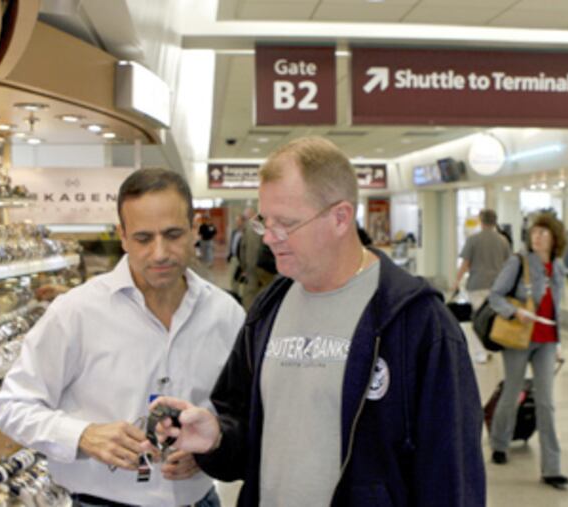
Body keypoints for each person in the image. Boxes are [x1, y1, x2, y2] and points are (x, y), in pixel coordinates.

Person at [151, 136, 485, 506]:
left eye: (287, 224)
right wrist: (216, 438)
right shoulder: (268, 310)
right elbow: (244, 434)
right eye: (266, 221)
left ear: (340, 217)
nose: (270, 238)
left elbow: (452, 473)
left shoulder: (416, 322)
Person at [0, 168, 246, 506]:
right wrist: (83, 435)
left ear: (193, 229)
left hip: (199, 500)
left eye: (172, 234)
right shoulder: (76, 312)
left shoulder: (225, 314)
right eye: (143, 238)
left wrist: (212, 448)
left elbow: (243, 411)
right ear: (123, 237)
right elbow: (12, 405)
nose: (159, 253)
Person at [487, 213, 568, 490]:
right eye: (534, 233)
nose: (537, 238)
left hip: (546, 340)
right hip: (518, 338)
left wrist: (558, 343)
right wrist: (515, 312)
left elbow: (557, 309)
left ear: (554, 238)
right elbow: (495, 295)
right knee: (512, 393)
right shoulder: (518, 261)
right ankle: (500, 443)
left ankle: (552, 467)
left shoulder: (557, 267)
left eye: (543, 234)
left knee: (547, 402)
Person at [453, 208, 511, 310]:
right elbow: (508, 266)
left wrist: (457, 281)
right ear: (495, 221)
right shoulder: (503, 241)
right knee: (493, 316)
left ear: (481, 220)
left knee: (478, 315)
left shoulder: (473, 239)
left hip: (476, 285)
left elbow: (465, 264)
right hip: (496, 286)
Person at [237, 207, 276, 309]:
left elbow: (242, 248)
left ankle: (249, 319)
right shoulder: (272, 223)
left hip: (251, 268)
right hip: (267, 269)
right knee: (268, 295)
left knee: (250, 295)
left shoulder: (249, 226)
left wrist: (244, 266)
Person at [227, 214, 246, 289]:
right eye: (236, 221)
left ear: (243, 222)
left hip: (241, 260)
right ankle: (234, 292)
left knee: (239, 279)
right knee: (232, 278)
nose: (237, 223)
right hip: (233, 258)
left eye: (238, 221)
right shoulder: (234, 232)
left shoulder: (245, 233)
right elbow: (232, 244)